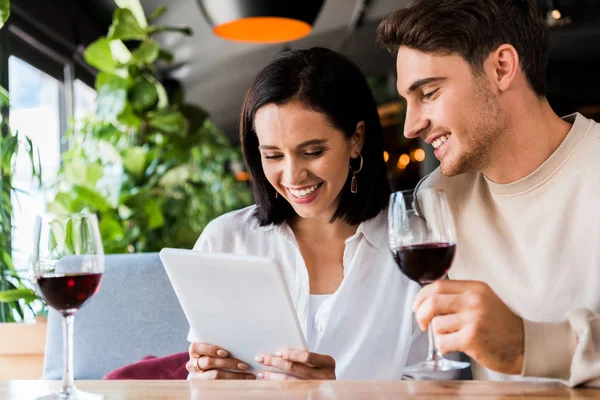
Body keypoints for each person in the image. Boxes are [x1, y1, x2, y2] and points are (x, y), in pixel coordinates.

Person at [377, 0, 600, 387]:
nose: (411, 125)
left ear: (501, 68)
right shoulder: (438, 198)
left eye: (428, 93)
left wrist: (528, 345)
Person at [185, 47, 423, 380]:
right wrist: (205, 380)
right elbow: (200, 378)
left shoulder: (414, 246)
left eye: (311, 152)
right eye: (273, 156)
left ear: (356, 139)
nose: (293, 176)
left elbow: (437, 387)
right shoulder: (225, 241)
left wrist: (334, 394)